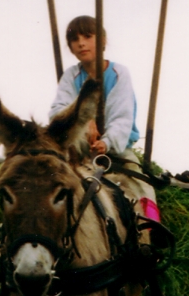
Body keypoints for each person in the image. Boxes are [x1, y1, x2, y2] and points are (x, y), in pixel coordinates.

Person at [49, 15, 160, 223]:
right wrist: (84, 123)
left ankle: (152, 227)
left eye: (87, 36)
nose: (81, 43)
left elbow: (122, 116)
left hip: (116, 150)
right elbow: (58, 110)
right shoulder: (70, 76)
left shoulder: (118, 73)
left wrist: (107, 142)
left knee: (140, 185)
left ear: (102, 41)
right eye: (74, 39)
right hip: (79, 150)